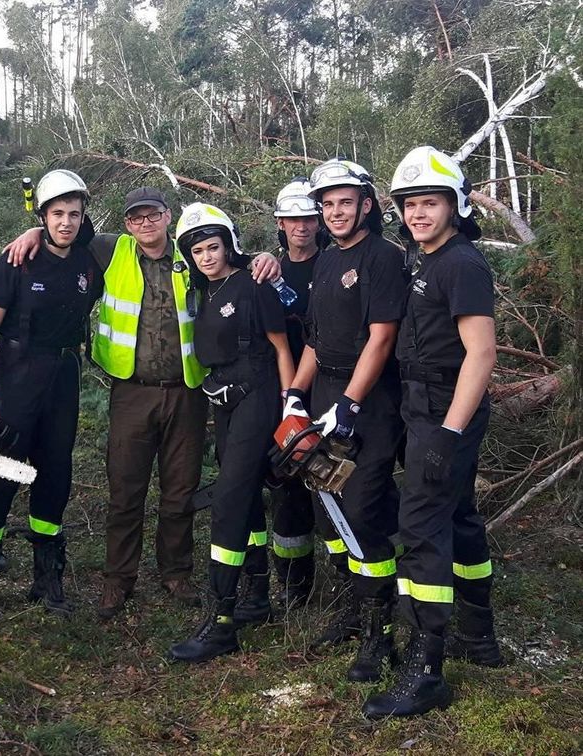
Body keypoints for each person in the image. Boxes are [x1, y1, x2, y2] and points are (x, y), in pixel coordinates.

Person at [5, 189, 282, 620]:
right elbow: (64, 233)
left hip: (186, 390)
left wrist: (267, 257)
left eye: (153, 215)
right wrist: (31, 231)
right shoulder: (109, 250)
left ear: (168, 217)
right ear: (127, 224)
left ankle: (176, 572)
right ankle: (119, 578)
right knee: (126, 489)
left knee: (180, 489)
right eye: (136, 218)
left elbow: (232, 262)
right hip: (132, 390)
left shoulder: (192, 251)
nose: (145, 224)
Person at [364, 147, 499, 718]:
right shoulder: (425, 260)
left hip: (446, 409)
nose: (419, 213)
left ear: (455, 205)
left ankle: (426, 668)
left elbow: (482, 354)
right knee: (460, 515)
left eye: (431, 203)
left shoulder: (461, 264)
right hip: (422, 405)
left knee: (420, 528)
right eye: (411, 204)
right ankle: (480, 634)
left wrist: (448, 432)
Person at [280, 158, 407, 683]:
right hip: (326, 388)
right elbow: (313, 338)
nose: (334, 212)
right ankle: (353, 612)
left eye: (344, 203)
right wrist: (295, 394)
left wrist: (351, 404)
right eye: (327, 204)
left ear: (366, 206)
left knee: (361, 511)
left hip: (369, 401)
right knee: (326, 506)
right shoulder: (329, 260)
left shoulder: (383, 258)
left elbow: (382, 338)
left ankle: (382, 633)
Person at [0, 169, 100, 623]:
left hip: (63, 376)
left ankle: (48, 577)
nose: (66, 222)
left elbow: (138, 240)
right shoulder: (15, 261)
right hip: (15, 374)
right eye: (57, 214)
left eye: (74, 214)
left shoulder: (86, 259)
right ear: (42, 215)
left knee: (54, 473)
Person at [167, 204, 295, 663]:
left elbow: (282, 348)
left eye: (213, 246)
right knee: (245, 498)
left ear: (229, 244)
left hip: (260, 395)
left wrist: (291, 405)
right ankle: (255, 595)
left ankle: (220, 619)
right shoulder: (201, 290)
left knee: (228, 501)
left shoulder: (252, 285)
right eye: (197, 250)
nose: (206, 256)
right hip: (223, 400)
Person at [267, 178, 327, 611]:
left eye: (308, 218)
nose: (301, 227)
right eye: (293, 219)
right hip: (281, 389)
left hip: (331, 388)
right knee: (286, 484)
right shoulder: (267, 270)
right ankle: (294, 585)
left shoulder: (335, 265)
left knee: (335, 480)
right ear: (280, 223)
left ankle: (358, 578)